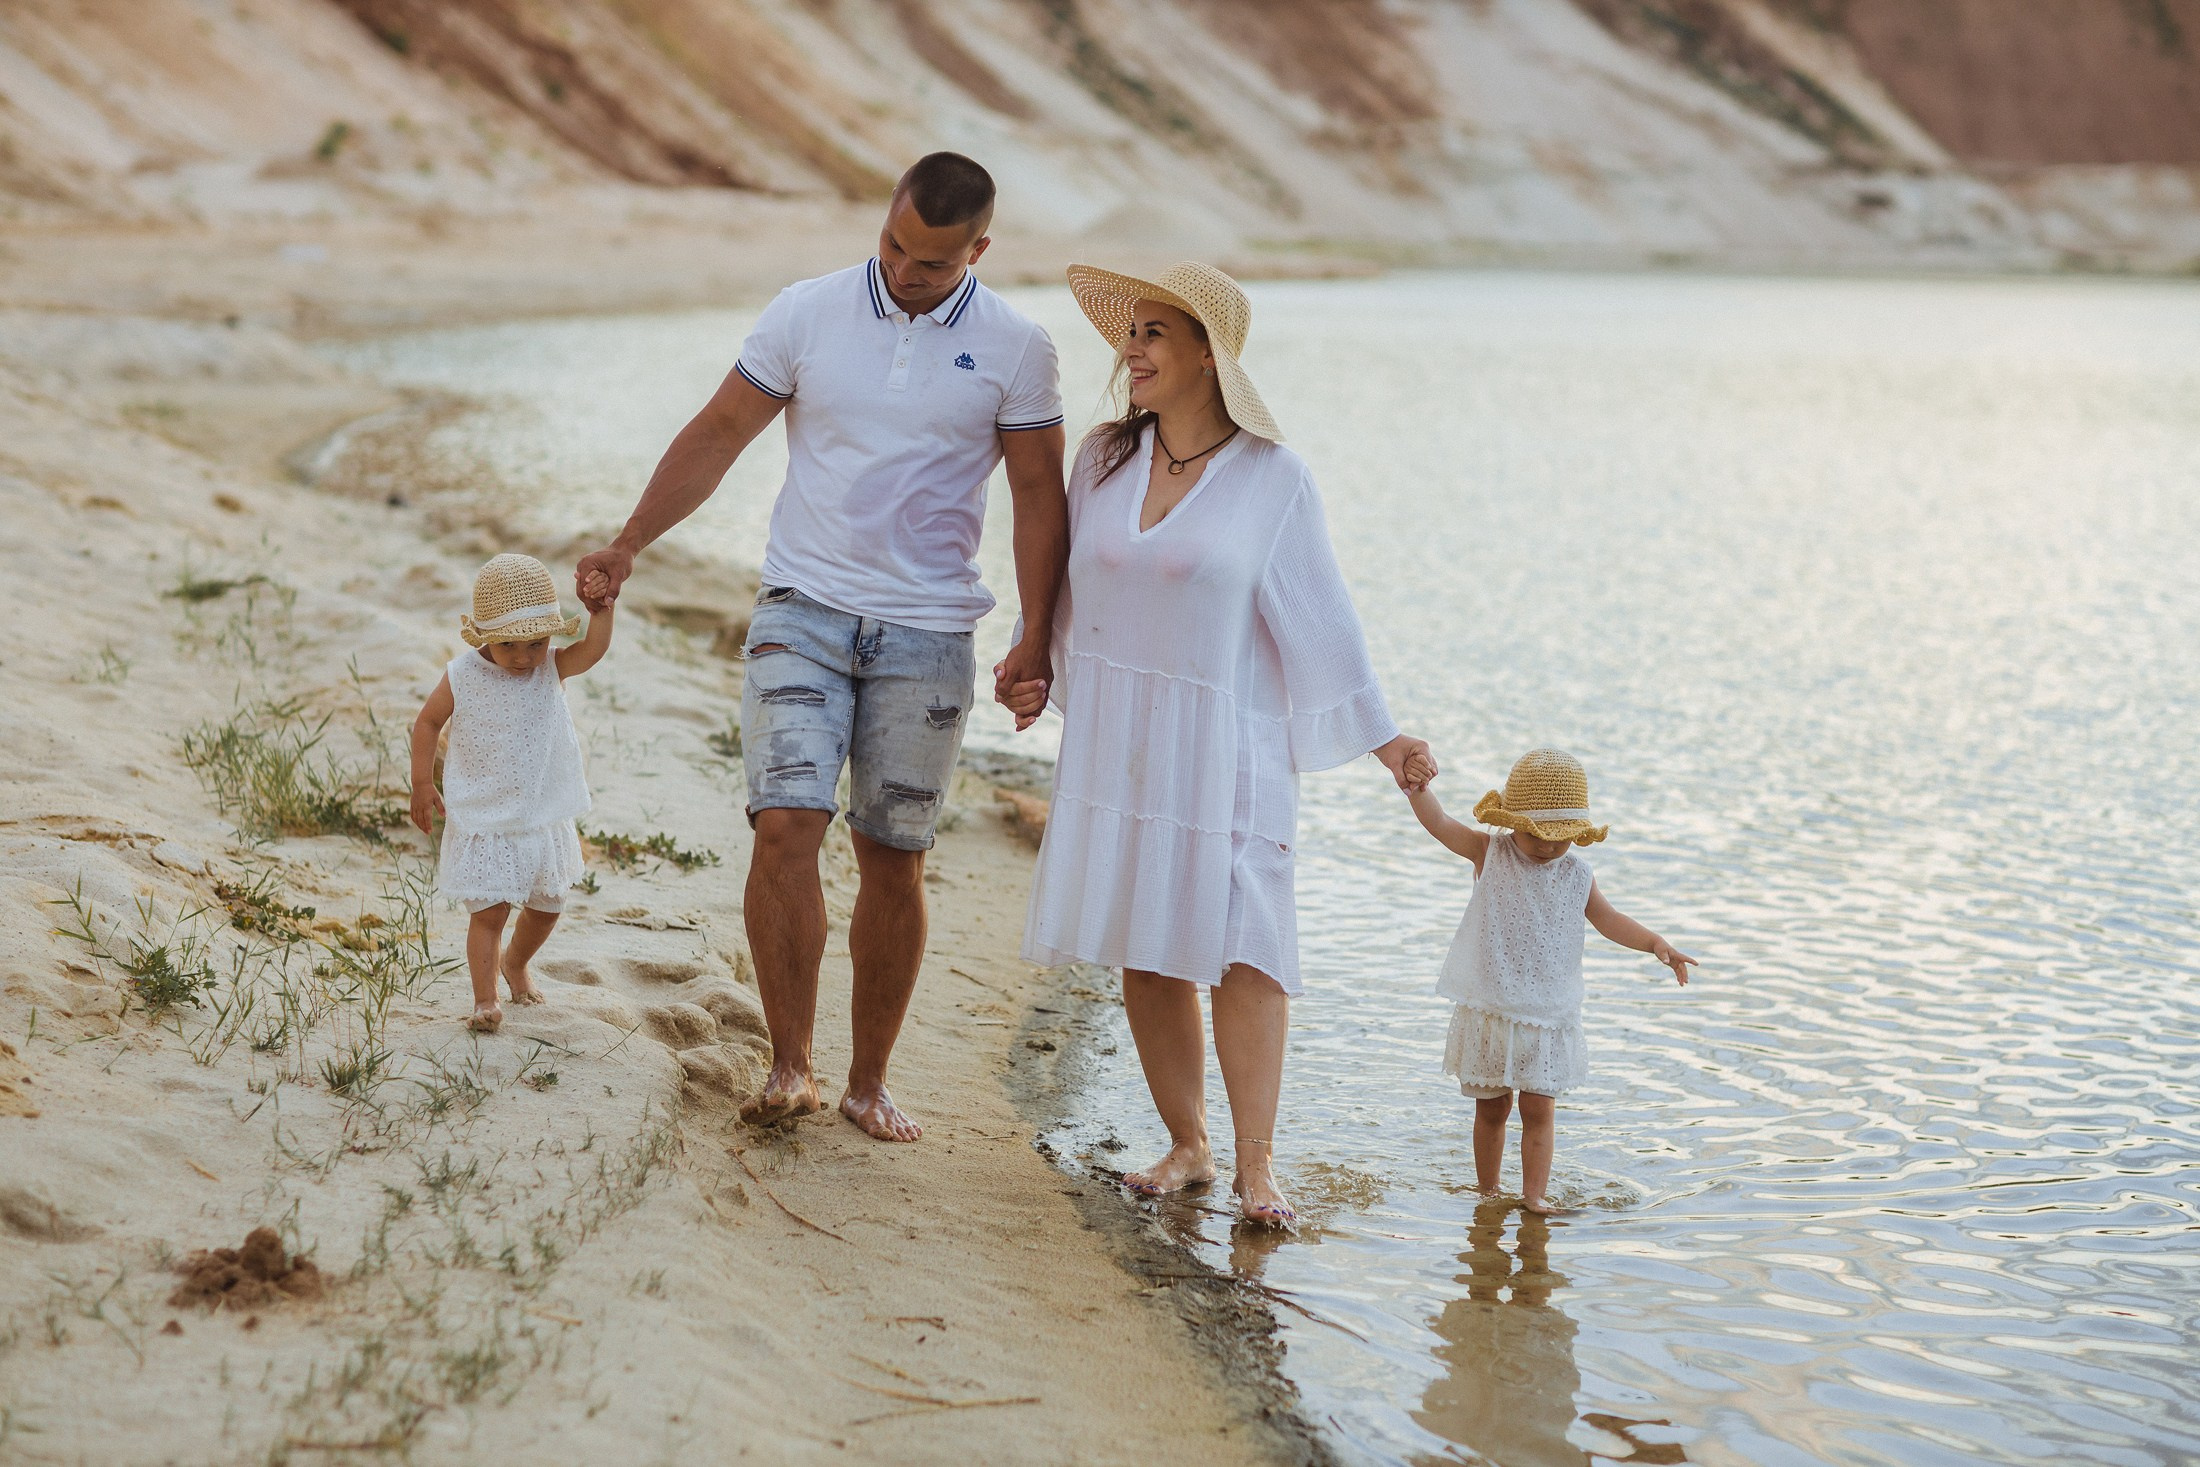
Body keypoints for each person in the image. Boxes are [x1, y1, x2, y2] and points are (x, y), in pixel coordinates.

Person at [575, 152, 1068, 1141]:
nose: (903, 268)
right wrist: (629, 542)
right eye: (892, 244)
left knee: (893, 855)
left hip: (929, 631)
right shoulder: (806, 311)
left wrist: (1035, 634)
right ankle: (791, 1064)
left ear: (978, 250)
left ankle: (868, 1083)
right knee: (784, 827)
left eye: (931, 261)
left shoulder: (1019, 347)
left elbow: (1036, 496)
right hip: (801, 606)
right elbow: (720, 430)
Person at [998, 262, 1431, 1226]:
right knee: (1148, 944)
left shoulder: (1273, 477)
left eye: (1156, 333)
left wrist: (1384, 737)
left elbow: (1321, 616)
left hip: (1229, 745)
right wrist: (1035, 664)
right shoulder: (1103, 458)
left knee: (1247, 950)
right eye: (1132, 332)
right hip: (1125, 741)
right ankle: (1189, 1146)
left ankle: (1258, 1165)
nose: (1133, 349)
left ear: (1209, 355)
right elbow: (1072, 592)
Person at [1402, 747, 1696, 1213]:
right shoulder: (1490, 852)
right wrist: (1419, 790)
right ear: (1512, 822)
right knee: (1492, 1108)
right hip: (1493, 1006)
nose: (1548, 846)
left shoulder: (1578, 875)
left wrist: (1655, 944)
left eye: (1561, 837)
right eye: (1536, 833)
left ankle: (1534, 1195)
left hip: (1546, 1015)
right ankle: (1488, 1190)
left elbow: (1609, 919)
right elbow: (1441, 825)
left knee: (1539, 1109)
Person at [410, 553, 615, 1033]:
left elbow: (593, 650)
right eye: (508, 645)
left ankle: (516, 962)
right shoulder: (463, 674)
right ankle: (485, 999)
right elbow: (427, 722)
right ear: (483, 636)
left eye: (536, 642)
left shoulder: (551, 668)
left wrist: (602, 609)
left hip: (540, 813)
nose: (524, 656)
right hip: (483, 812)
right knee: (491, 910)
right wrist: (422, 781)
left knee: (548, 905)